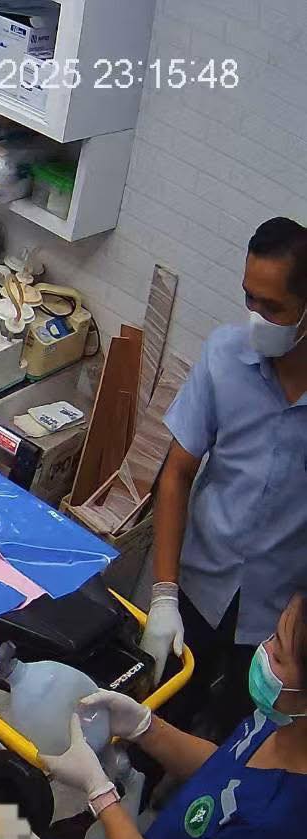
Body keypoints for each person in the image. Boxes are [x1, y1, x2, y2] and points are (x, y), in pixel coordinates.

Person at [44, 594, 307, 839]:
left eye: (278, 654)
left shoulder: (276, 825)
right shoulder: (282, 725)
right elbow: (226, 770)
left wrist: (100, 794)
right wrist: (147, 727)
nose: (262, 650)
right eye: (272, 635)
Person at [149, 217, 307, 741]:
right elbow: (176, 474)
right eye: (249, 300)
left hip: (277, 621)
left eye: (274, 307)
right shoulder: (224, 357)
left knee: (239, 738)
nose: (257, 318)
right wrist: (164, 596)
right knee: (160, 713)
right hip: (200, 585)